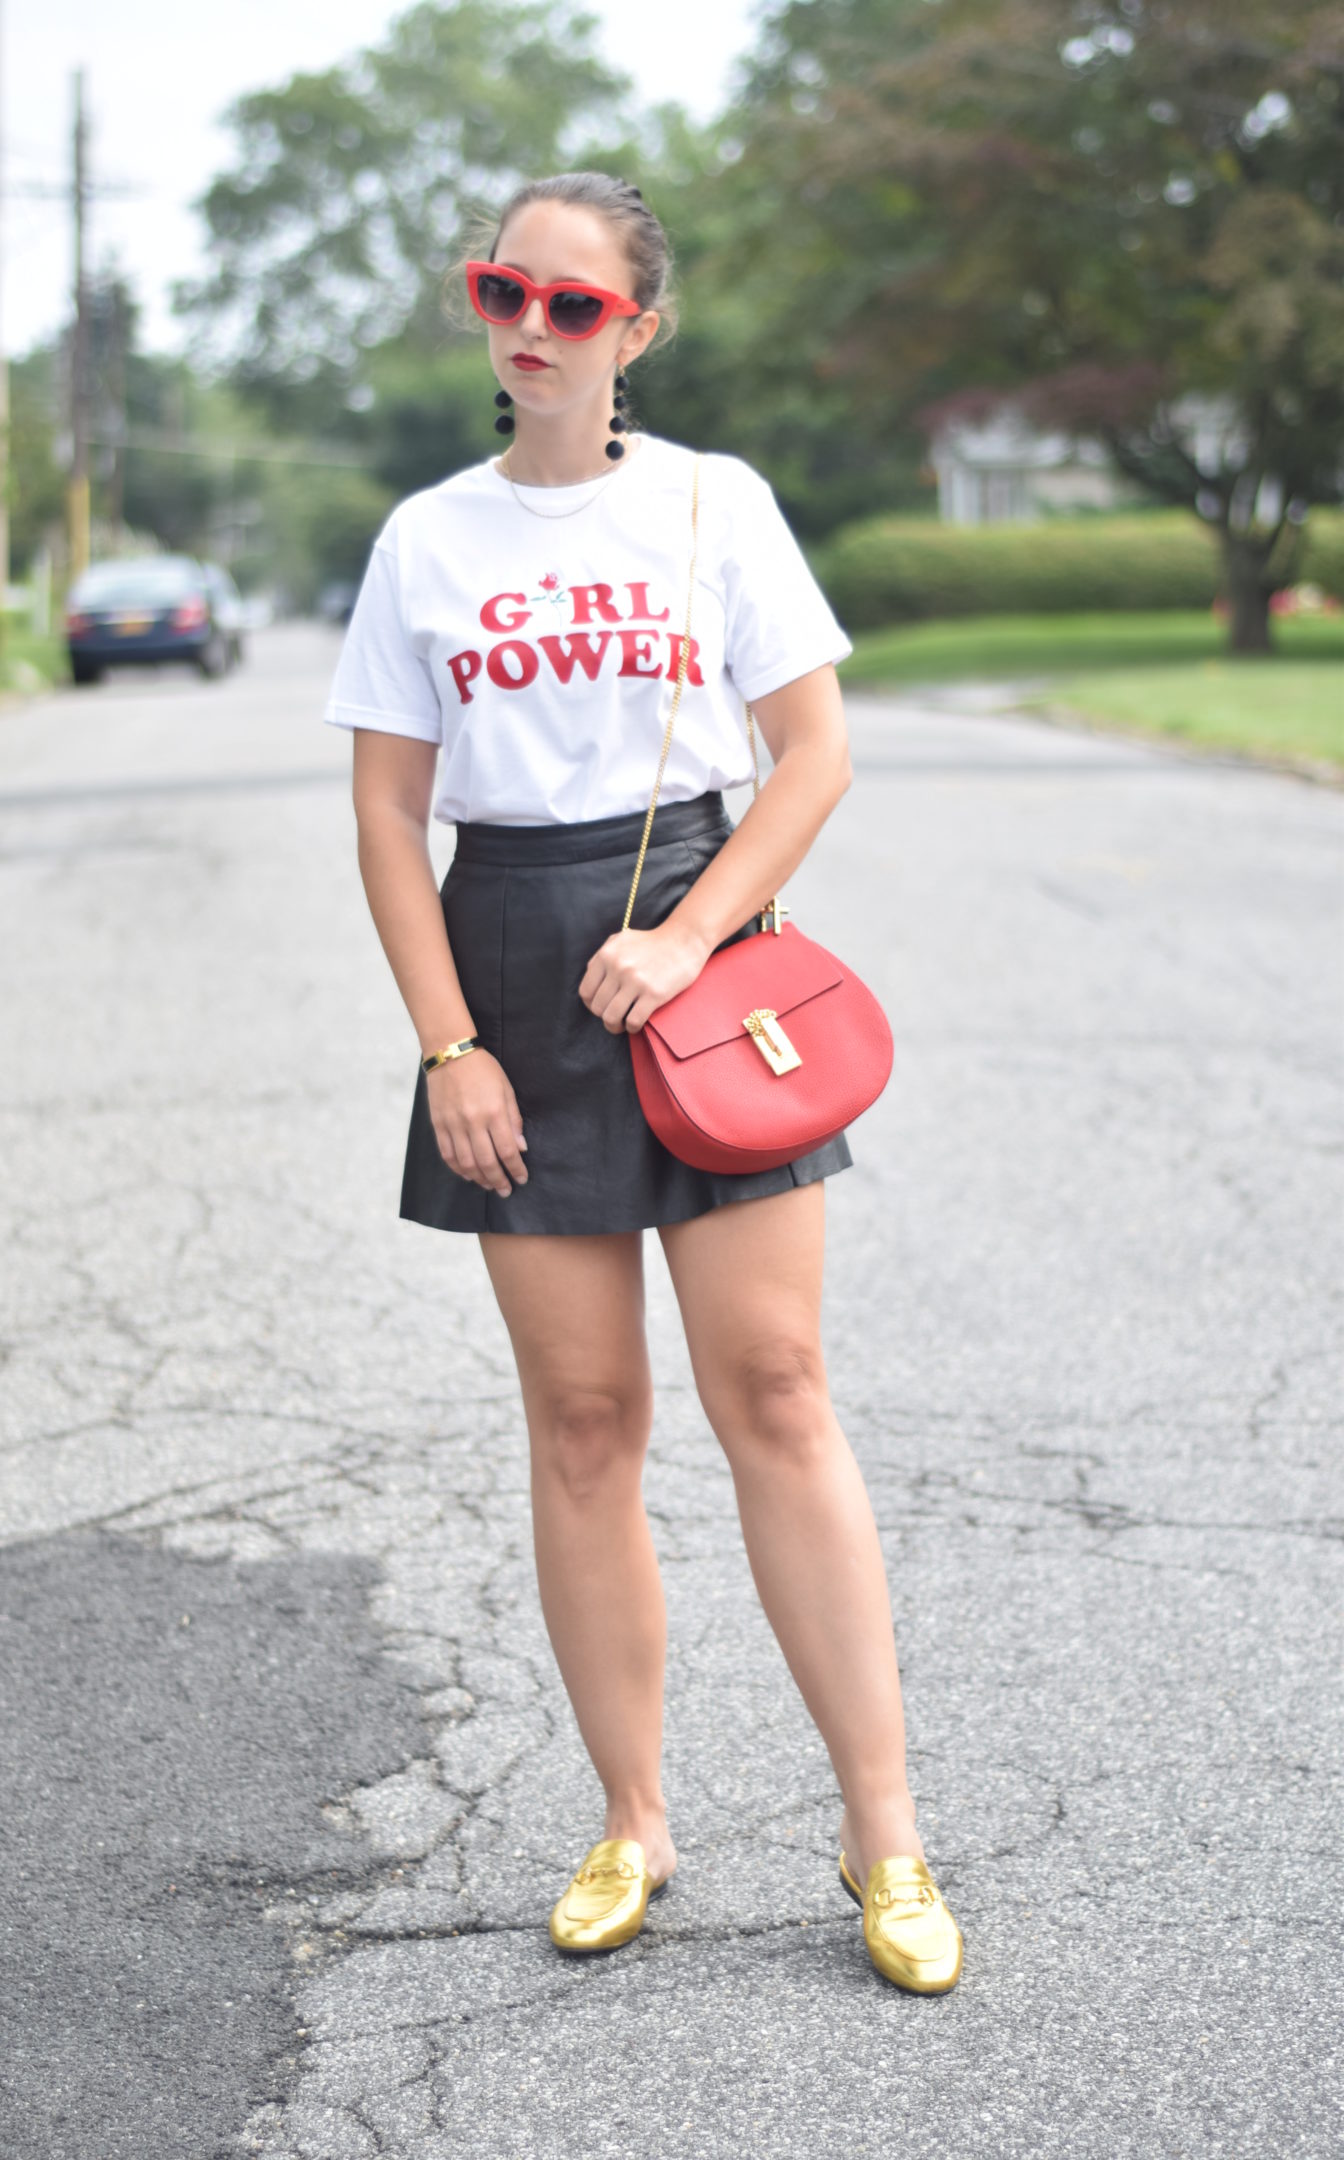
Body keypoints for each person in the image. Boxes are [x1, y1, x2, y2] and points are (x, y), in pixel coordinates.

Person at [325, 171, 962, 1994]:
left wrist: (690, 940)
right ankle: (634, 1821)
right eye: (503, 289)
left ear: (638, 333)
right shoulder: (426, 541)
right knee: (586, 1423)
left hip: (702, 942)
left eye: (576, 304)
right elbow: (385, 811)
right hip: (510, 964)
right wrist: (450, 1043)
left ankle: (885, 1839)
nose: (534, 323)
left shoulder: (712, 506)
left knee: (775, 1386)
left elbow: (814, 752)